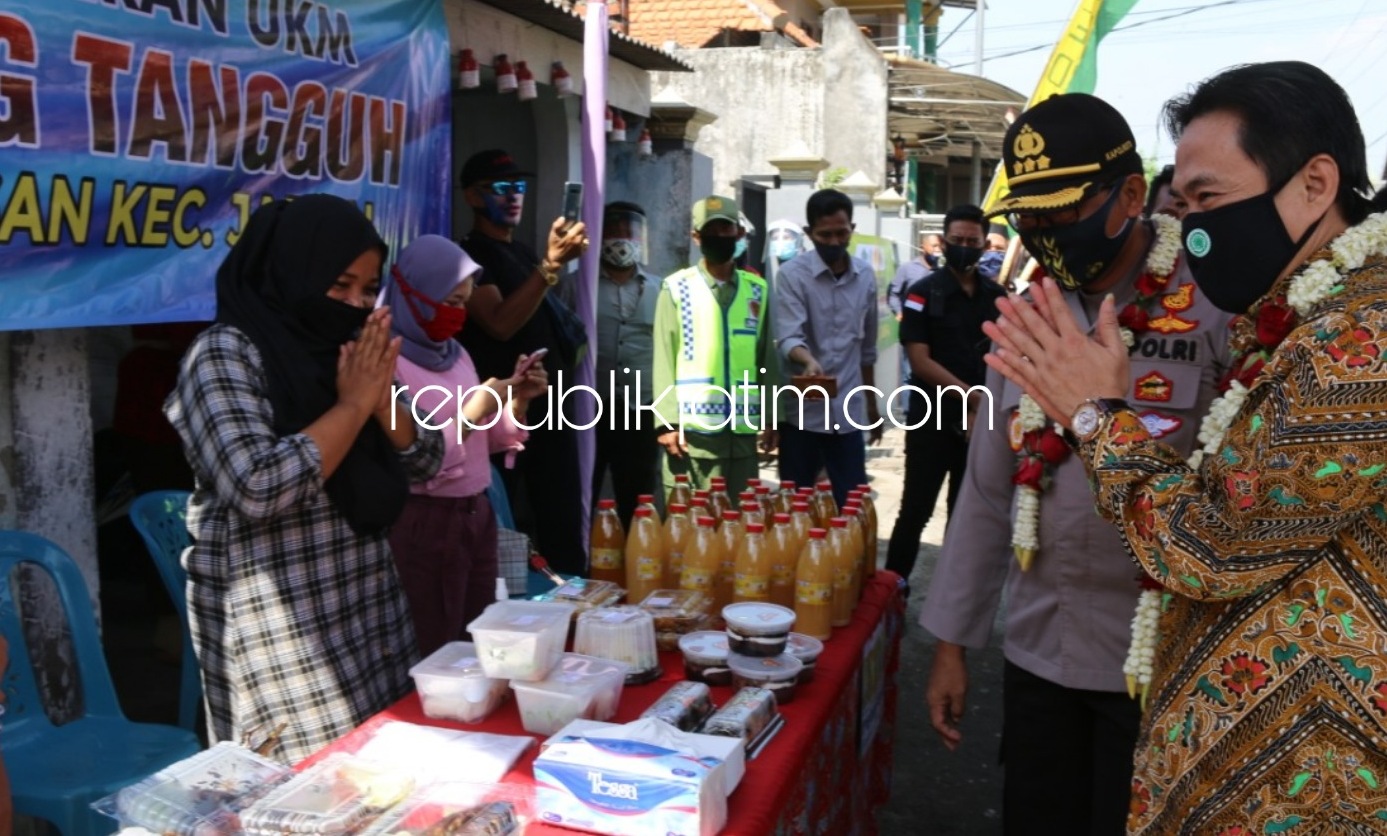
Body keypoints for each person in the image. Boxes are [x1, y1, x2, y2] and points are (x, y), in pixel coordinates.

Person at [982, 64, 1387, 831]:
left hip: (1307, 784)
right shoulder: (1308, 318)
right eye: (1184, 203)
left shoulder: (1358, 342)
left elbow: (1208, 546)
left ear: (1314, 184)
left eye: (1208, 199)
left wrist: (1095, 415)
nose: (1192, 227)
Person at [921, 93, 1233, 835]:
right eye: (1029, 217)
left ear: (1130, 195)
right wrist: (951, 645)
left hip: (1162, 662)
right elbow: (987, 494)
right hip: (1042, 652)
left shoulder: (1215, 300)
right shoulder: (1027, 316)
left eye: (1062, 214)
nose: (1044, 235)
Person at [164, 195, 444, 763]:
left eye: (368, 290)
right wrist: (353, 406)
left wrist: (379, 401)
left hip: (370, 607)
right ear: (292, 271)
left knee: (384, 775)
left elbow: (425, 458)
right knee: (308, 790)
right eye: (340, 285)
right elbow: (257, 487)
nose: (355, 304)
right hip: (281, 628)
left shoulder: (347, 349)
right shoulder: (223, 354)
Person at [383, 235, 547, 657]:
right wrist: (474, 411)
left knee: (479, 641)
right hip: (425, 521)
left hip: (475, 515)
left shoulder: (455, 354)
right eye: (449, 301)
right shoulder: (386, 362)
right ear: (412, 293)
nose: (457, 314)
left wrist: (517, 401)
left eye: (463, 302)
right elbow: (417, 456)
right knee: (437, 646)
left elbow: (483, 441)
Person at [457, 149, 589, 576]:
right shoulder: (471, 256)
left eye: (518, 187)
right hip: (504, 415)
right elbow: (499, 323)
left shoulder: (522, 251)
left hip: (551, 405)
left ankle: (571, 595)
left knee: (561, 514)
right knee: (512, 520)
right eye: (500, 188)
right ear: (472, 197)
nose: (513, 196)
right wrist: (549, 267)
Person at [883, 204, 1005, 588]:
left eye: (972, 240)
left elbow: (1004, 358)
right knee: (914, 512)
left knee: (965, 517)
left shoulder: (997, 297)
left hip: (979, 424)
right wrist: (973, 398)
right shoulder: (922, 294)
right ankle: (892, 594)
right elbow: (920, 361)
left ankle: (952, 598)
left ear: (984, 244)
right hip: (931, 421)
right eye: (957, 240)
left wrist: (981, 408)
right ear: (943, 242)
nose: (964, 247)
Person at [653, 195, 778, 493]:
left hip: (742, 436)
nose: (719, 237)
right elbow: (663, 358)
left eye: (726, 229)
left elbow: (766, 360)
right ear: (696, 237)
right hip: (692, 438)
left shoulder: (757, 290)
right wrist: (667, 422)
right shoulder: (676, 288)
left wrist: (773, 417)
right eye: (711, 231)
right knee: (691, 519)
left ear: (739, 233)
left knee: (742, 518)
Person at [771, 188, 882, 507]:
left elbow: (867, 350)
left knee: (853, 505)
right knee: (796, 506)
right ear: (810, 233)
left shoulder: (865, 277)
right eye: (825, 235)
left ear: (852, 229)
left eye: (841, 233)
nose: (834, 242)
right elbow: (789, 336)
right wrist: (808, 361)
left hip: (848, 412)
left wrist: (872, 407)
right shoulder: (793, 275)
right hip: (803, 416)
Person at [593, 201, 664, 526]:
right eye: (613, 230)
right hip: (589, 408)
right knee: (583, 487)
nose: (622, 238)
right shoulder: (578, 287)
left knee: (638, 495)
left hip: (641, 409)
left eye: (629, 231)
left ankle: (636, 552)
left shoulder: (661, 290)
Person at [886, 231, 943, 318]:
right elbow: (894, 294)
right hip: (912, 320)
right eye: (934, 246)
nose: (938, 250)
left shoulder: (943, 272)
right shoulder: (907, 268)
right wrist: (899, 313)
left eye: (940, 246)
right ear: (923, 247)